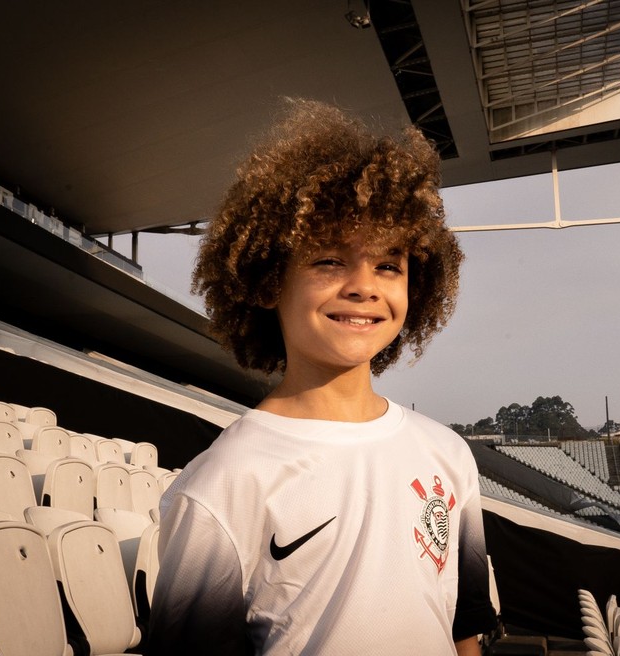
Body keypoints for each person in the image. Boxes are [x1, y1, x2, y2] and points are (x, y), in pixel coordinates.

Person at [147, 98, 497, 655]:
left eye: (388, 265)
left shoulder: (448, 455)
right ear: (267, 282)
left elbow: (463, 632)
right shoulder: (221, 485)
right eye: (330, 260)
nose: (364, 285)